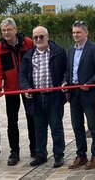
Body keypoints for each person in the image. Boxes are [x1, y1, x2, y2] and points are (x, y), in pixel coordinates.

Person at [19, 26, 67, 168]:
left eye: (41, 36)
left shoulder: (58, 52)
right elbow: (22, 75)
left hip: (54, 96)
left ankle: (58, 155)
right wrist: (26, 87)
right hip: (36, 98)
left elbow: (66, 70)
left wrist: (65, 82)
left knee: (56, 127)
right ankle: (41, 155)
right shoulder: (28, 55)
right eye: (36, 37)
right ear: (33, 38)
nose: (39, 39)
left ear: (47, 36)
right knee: (39, 128)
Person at [0, 17, 36, 166]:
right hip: (11, 90)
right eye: (3, 30)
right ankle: (14, 152)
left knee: (32, 117)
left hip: (28, 87)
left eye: (9, 30)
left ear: (16, 30)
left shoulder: (28, 43)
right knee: (12, 121)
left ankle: (34, 148)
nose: (6, 33)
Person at [62, 20, 95, 170]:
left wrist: (89, 83)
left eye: (78, 32)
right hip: (73, 93)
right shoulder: (70, 50)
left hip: (88, 93)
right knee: (76, 126)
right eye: (73, 32)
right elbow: (68, 71)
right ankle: (81, 155)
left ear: (86, 33)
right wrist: (64, 82)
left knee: (93, 126)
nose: (75, 35)